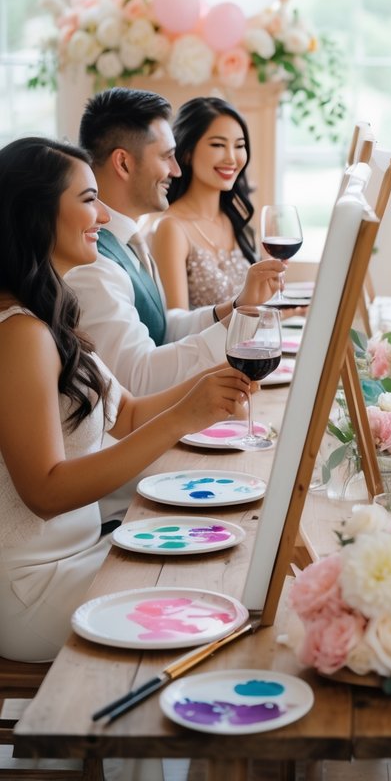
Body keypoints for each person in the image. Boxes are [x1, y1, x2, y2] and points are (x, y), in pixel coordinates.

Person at [0, 137, 252, 662]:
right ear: (37, 211)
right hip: (33, 588)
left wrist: (219, 379)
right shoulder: (19, 334)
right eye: (89, 198)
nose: (104, 212)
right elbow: (44, 492)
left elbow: (129, 413)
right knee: (220, 582)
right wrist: (184, 416)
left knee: (222, 554)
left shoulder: (48, 313)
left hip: (79, 556)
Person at [66, 88, 282, 395]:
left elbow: (165, 327)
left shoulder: (129, 238)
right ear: (123, 163)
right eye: (167, 156)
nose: (176, 170)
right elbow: (138, 378)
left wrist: (237, 307)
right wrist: (231, 333)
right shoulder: (93, 263)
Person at [151, 97, 257, 310]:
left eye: (239, 145)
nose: (231, 158)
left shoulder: (233, 217)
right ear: (188, 153)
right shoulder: (171, 228)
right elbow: (176, 328)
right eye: (218, 145)